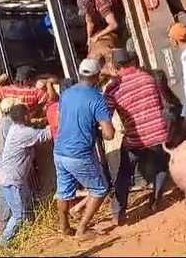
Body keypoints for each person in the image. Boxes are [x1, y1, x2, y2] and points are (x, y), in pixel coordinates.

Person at [103, 48, 169, 225]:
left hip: (135, 139)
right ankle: (156, 200)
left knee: (123, 173)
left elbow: (105, 116)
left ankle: (118, 212)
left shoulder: (112, 89)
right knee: (161, 166)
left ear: (116, 67)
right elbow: (161, 105)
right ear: (132, 62)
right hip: (159, 134)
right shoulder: (148, 78)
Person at [54, 58, 115, 238]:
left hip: (59, 151)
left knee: (63, 193)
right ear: (97, 76)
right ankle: (82, 229)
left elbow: (60, 120)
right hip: (79, 154)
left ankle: (65, 229)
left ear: (80, 74)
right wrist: (99, 130)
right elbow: (109, 134)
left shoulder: (66, 94)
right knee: (99, 190)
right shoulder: (97, 99)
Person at [0, 104, 52, 247]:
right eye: (29, 114)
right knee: (18, 215)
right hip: (12, 181)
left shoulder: (14, 128)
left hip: (7, 179)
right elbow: (46, 134)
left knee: (22, 209)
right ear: (25, 116)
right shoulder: (24, 133)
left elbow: (33, 128)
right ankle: (3, 243)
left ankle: (16, 237)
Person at [0, 65, 55, 159]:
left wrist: (1, 80)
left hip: (7, 123)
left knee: (4, 152)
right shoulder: (34, 92)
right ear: (27, 80)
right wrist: (47, 83)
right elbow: (50, 99)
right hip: (23, 126)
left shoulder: (9, 89)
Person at [76, 0, 123, 74]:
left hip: (121, 11)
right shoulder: (90, 8)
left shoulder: (102, 4)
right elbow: (89, 23)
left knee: (124, 31)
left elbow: (114, 24)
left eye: (87, 10)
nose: (87, 12)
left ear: (91, 4)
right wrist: (89, 38)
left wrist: (97, 36)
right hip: (109, 17)